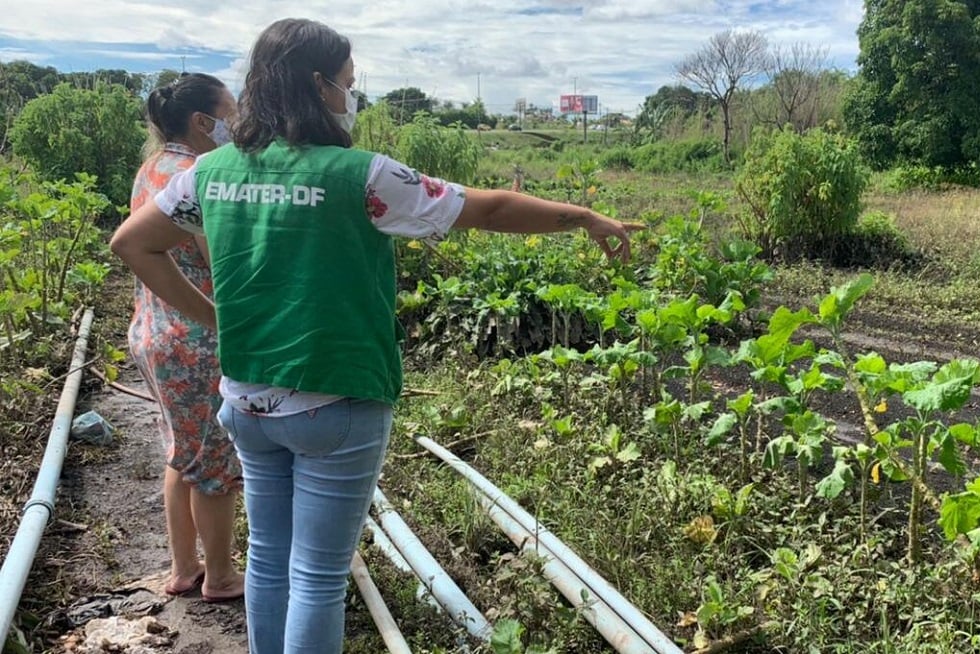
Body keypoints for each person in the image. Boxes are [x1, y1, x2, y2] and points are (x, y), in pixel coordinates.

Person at [110, 17, 641, 654]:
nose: (350, 95)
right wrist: (583, 216)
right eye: (347, 82)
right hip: (335, 399)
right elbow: (490, 208)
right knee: (318, 575)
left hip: (246, 401)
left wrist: (216, 319)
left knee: (270, 556)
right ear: (318, 86)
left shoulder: (211, 173)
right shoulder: (361, 175)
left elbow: (132, 243)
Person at [126, 72, 244, 603]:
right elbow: (222, 264)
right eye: (231, 113)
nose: (238, 123)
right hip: (194, 342)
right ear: (203, 122)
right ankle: (219, 577)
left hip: (154, 333)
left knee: (183, 453)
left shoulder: (154, 166)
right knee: (214, 463)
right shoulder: (199, 175)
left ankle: (183, 568)